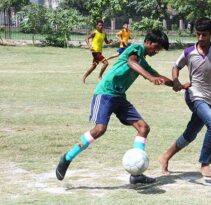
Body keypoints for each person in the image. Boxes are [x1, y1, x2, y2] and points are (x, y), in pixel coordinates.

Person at [56, 29, 173, 184]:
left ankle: (136, 175)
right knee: (99, 129)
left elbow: (158, 77)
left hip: (119, 97)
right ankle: (67, 157)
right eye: (156, 48)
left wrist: (177, 85)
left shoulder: (143, 62)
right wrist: (150, 77)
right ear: (148, 42)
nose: (156, 51)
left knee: (143, 128)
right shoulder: (136, 48)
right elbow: (131, 63)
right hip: (105, 93)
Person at [159, 17, 211, 177]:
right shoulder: (189, 52)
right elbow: (176, 66)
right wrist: (175, 80)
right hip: (193, 95)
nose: (200, 38)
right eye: (198, 34)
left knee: (190, 134)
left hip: (209, 98)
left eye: (204, 35)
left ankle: (165, 157)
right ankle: (205, 163)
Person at [82, 20, 113, 84]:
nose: (101, 26)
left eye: (102, 25)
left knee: (94, 66)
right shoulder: (94, 32)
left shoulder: (104, 33)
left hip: (99, 52)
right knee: (106, 63)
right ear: (96, 26)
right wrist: (89, 46)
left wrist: (110, 41)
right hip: (95, 52)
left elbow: (106, 42)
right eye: (99, 25)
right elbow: (86, 39)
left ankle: (84, 77)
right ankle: (100, 76)